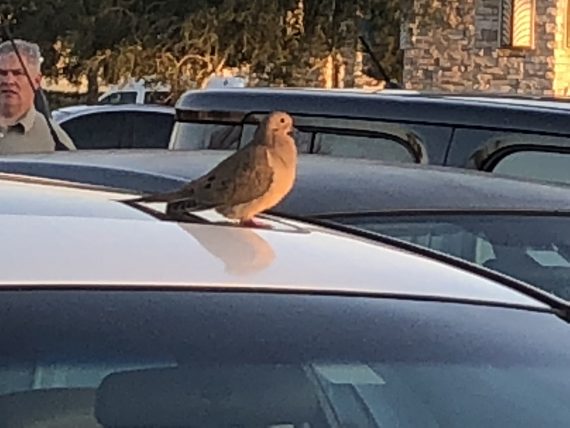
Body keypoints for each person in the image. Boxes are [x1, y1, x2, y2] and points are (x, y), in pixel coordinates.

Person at [0, 39, 76, 154]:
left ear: (36, 81)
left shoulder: (54, 140)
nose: (9, 81)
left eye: (18, 73)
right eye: (2, 73)